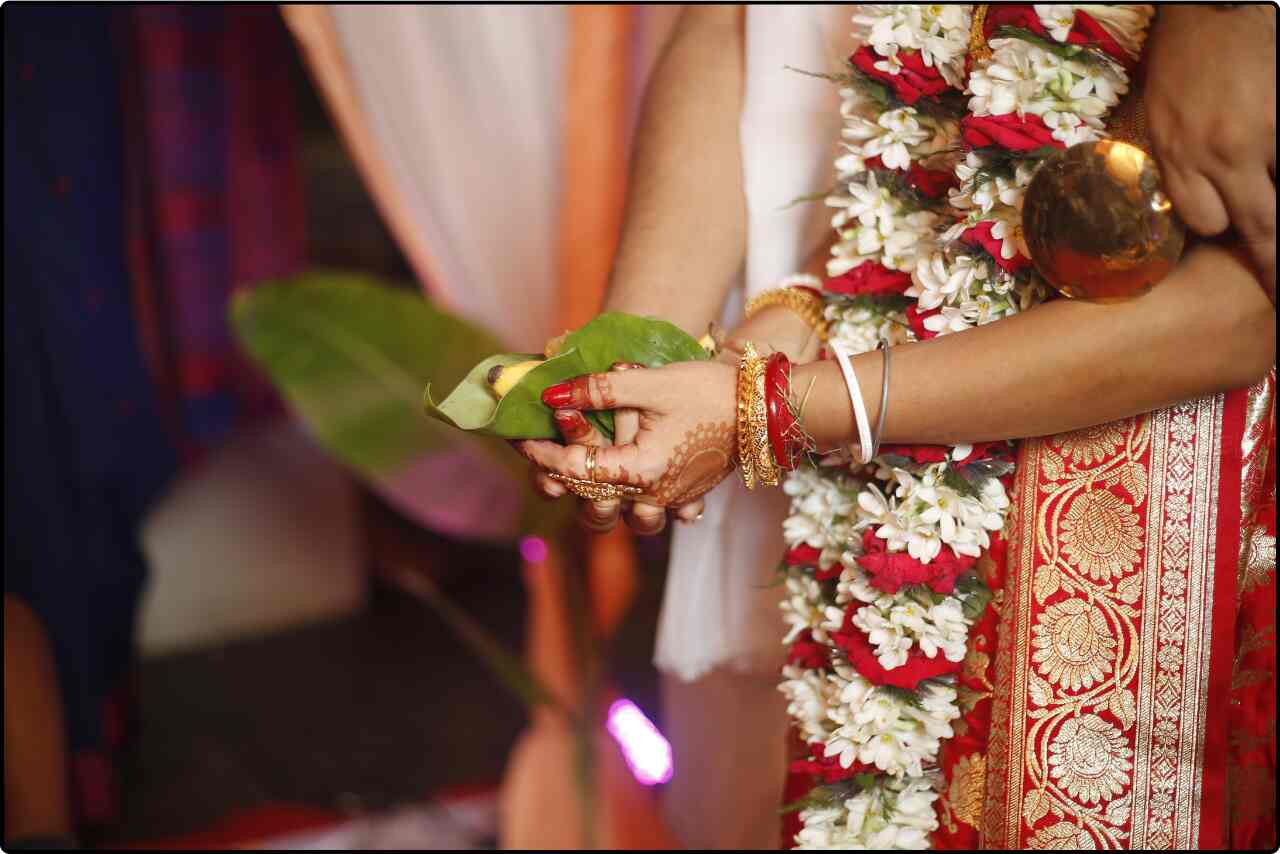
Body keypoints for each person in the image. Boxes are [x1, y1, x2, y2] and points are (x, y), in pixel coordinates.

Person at [524, 4, 1275, 849]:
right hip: (812, 452)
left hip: (1111, 499)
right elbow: (745, 27)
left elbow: (1240, 306)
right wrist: (636, 360)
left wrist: (769, 408)